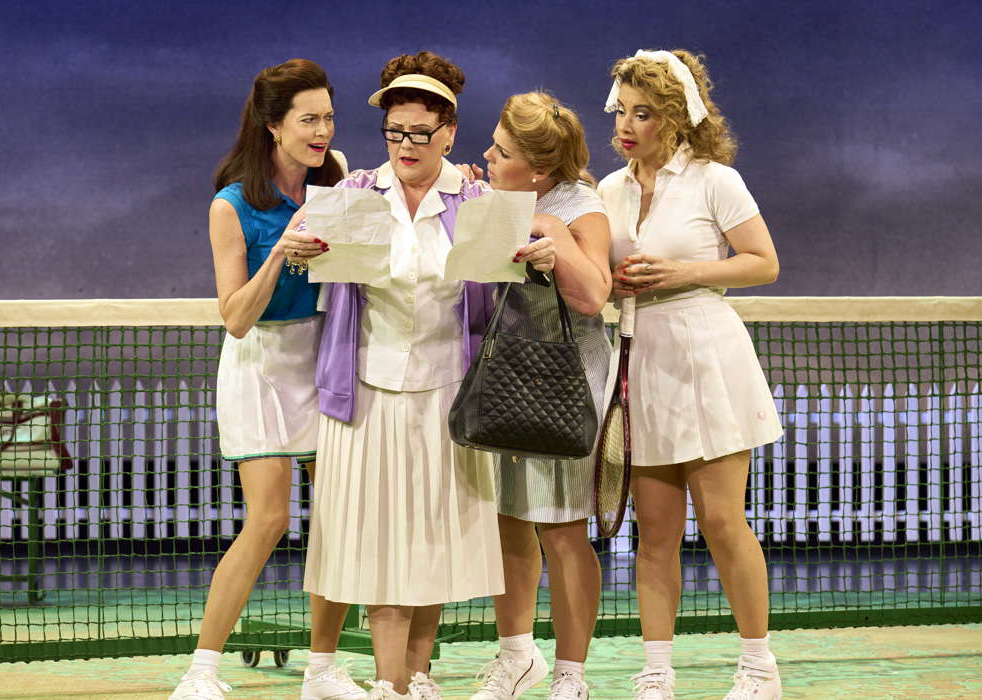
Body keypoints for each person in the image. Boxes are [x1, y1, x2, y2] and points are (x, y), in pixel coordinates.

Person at [292, 52, 554, 700]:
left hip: (449, 393)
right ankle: (389, 683)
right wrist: (298, 249)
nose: (405, 145)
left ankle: (418, 675)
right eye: (394, 133)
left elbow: (503, 295)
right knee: (382, 543)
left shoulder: (478, 201)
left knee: (432, 537)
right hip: (369, 394)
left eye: (419, 133)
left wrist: (537, 257)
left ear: (447, 135)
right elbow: (321, 278)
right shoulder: (353, 198)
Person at [170, 60, 363, 700]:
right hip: (259, 365)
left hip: (322, 357)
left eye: (328, 117)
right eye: (309, 119)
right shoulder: (230, 205)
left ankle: (323, 669)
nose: (322, 130)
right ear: (272, 125)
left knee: (337, 518)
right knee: (271, 517)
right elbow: (236, 318)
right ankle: (201, 670)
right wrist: (281, 249)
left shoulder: (334, 181)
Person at [596, 50, 783, 700]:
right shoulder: (608, 192)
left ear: (673, 119)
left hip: (708, 359)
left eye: (642, 113)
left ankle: (759, 669)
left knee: (724, 522)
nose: (626, 125)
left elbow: (763, 263)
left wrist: (685, 273)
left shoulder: (713, 181)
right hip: (639, 364)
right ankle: (656, 675)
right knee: (656, 534)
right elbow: (594, 282)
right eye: (622, 110)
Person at [467, 93, 611, 700]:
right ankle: (517, 658)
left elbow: (594, 295)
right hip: (503, 383)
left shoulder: (578, 208)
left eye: (501, 151)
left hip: (563, 387)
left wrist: (551, 233)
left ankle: (571, 676)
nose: (487, 155)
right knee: (507, 523)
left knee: (561, 531)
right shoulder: (495, 199)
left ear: (540, 170)